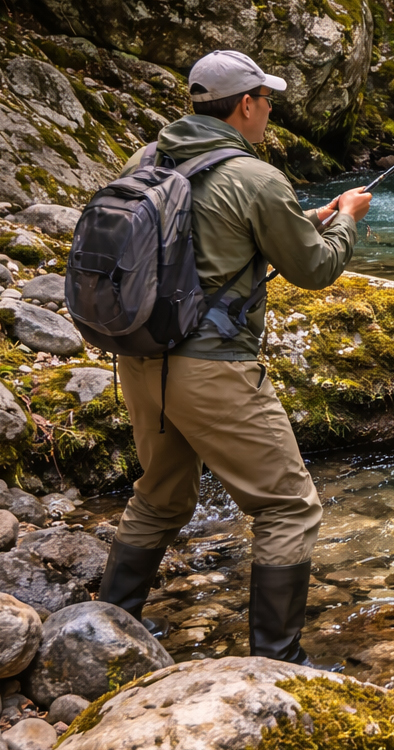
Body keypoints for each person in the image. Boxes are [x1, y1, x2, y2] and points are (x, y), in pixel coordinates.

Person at [96, 50, 372, 663]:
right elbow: (316, 269)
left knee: (159, 497)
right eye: (267, 100)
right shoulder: (256, 177)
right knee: (288, 507)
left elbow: (204, 239)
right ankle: (278, 662)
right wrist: (347, 222)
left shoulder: (146, 159)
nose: (270, 111)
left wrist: (311, 217)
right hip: (212, 369)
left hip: (140, 358)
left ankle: (106, 632)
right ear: (246, 105)